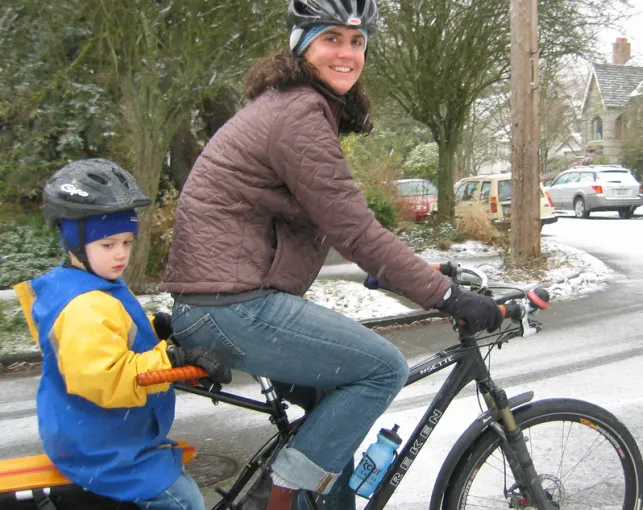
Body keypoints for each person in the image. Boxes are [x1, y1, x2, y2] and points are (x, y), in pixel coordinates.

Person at [160, 0, 503, 508]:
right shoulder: (297, 114)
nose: (347, 53)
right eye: (332, 39)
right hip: (229, 308)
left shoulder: (291, 106)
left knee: (334, 405)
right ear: (303, 46)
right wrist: (449, 296)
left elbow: (326, 221)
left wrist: (410, 273)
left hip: (221, 304)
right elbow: (355, 229)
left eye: (357, 42)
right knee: (383, 368)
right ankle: (285, 498)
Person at [18, 159, 231, 510]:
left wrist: (153, 328)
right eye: (107, 245)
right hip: (102, 449)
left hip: (97, 433)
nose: (121, 254)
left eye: (127, 242)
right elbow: (106, 375)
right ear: (74, 243)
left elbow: (112, 331)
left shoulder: (90, 286)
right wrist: (171, 359)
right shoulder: (83, 306)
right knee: (183, 500)